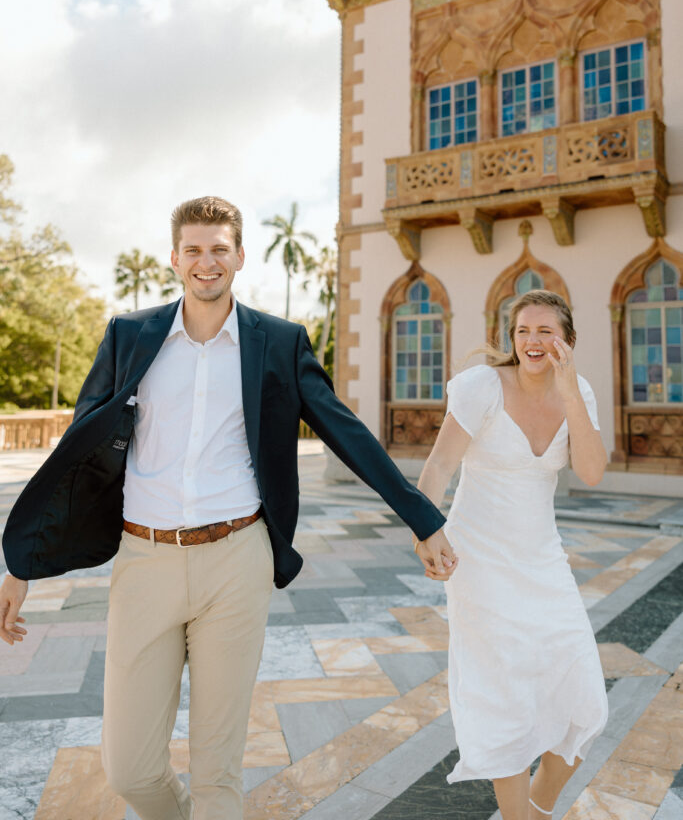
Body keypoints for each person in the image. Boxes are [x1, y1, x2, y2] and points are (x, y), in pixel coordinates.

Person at [0, 195, 456, 820]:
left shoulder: (279, 343)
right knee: (130, 769)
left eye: (219, 249)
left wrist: (423, 518)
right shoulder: (129, 336)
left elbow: (346, 431)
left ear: (240, 257)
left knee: (219, 769)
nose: (206, 262)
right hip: (145, 560)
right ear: (174, 258)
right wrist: (21, 563)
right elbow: (75, 452)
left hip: (237, 560)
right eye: (194, 250)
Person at [412, 290, 608, 820]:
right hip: (478, 564)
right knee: (506, 700)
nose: (533, 341)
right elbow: (437, 468)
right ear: (511, 339)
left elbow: (591, 471)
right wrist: (427, 530)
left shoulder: (580, 393)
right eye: (524, 331)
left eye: (546, 331)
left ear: (567, 340)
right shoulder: (483, 387)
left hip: (544, 562)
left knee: (585, 695)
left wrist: (570, 394)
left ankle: (538, 808)